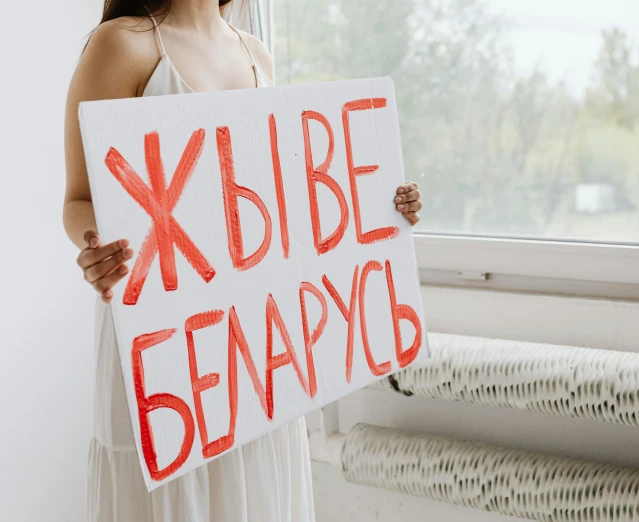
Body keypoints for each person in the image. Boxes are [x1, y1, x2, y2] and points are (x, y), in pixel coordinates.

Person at [62, 1, 423, 520]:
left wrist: (382, 204)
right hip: (161, 351)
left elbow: (287, 203)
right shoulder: (121, 44)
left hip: (253, 360)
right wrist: (96, 244)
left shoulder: (256, 54)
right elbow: (77, 200)